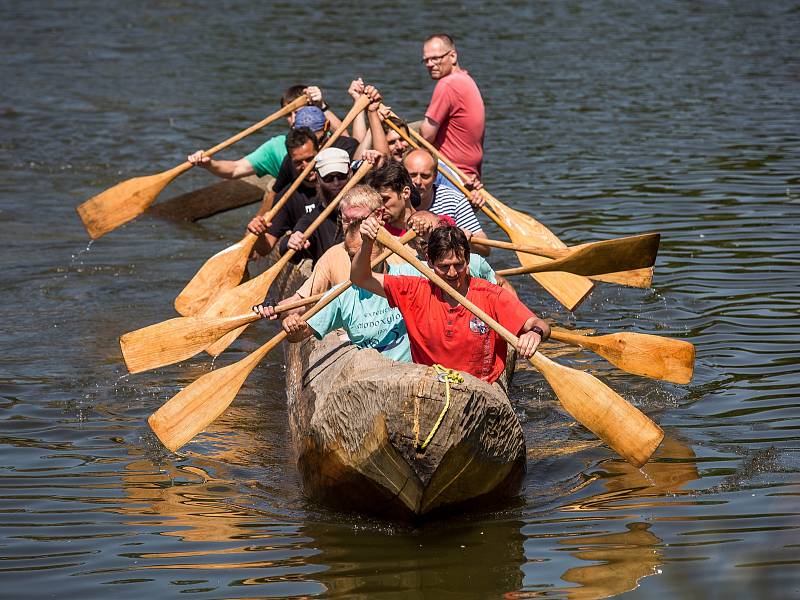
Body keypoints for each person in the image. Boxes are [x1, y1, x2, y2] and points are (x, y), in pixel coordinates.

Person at [352, 216, 549, 383]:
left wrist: (535, 333)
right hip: (430, 387)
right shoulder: (412, 290)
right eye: (444, 267)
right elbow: (360, 278)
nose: (453, 273)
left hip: (483, 388)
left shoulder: (490, 294)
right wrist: (367, 243)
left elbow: (540, 324)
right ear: (429, 261)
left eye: (459, 265)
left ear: (468, 260)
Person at [254, 206, 412, 363]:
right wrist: (292, 327)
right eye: (352, 255)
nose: (359, 260)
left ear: (383, 248)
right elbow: (300, 334)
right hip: (370, 373)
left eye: (366, 250)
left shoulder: (410, 274)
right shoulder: (342, 293)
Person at [420, 33, 485, 180]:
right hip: (470, 173)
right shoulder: (466, 80)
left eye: (435, 58)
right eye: (426, 60)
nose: (430, 64)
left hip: (450, 172)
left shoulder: (447, 84)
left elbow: (426, 136)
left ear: (453, 57)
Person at [402, 148, 489, 255]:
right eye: (412, 175)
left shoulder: (453, 200)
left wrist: (462, 236)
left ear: (435, 176)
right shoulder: (393, 200)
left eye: (425, 176)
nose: (418, 182)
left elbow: (485, 248)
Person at [280, 147, 353, 263]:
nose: (336, 183)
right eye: (328, 178)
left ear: (350, 173)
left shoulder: (367, 206)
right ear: (318, 178)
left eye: (341, 176)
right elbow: (292, 256)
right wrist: (290, 241)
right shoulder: (313, 219)